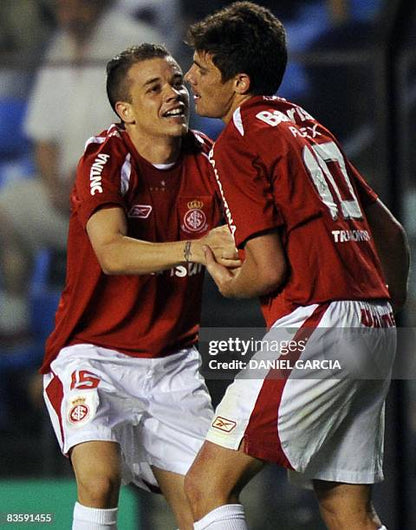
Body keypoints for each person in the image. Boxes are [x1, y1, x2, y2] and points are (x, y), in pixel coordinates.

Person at [183, 2, 410, 529]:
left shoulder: (237, 138)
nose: (190, 78)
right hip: (372, 322)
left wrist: (222, 275)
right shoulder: (305, 123)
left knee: (206, 487)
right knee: (346, 509)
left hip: (318, 322)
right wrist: (378, 310)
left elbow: (266, 270)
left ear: (238, 81)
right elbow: (392, 235)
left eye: (202, 67)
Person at [41, 43, 239, 530]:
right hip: (92, 354)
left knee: (208, 502)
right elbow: (111, 252)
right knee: (99, 478)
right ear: (124, 111)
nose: (174, 95)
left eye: (175, 82)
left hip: (171, 366)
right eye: (155, 88)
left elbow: (241, 248)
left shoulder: (209, 161)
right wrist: (196, 249)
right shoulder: (103, 158)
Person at [0, 0, 162, 340]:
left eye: (75, 5)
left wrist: (88, 180)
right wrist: (53, 185)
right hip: (67, 197)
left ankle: (119, 327)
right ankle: (14, 325)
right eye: (61, 7)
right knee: (7, 207)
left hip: (125, 196)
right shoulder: (60, 47)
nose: (67, 14)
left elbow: (150, 134)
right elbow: (43, 135)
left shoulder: (138, 43)